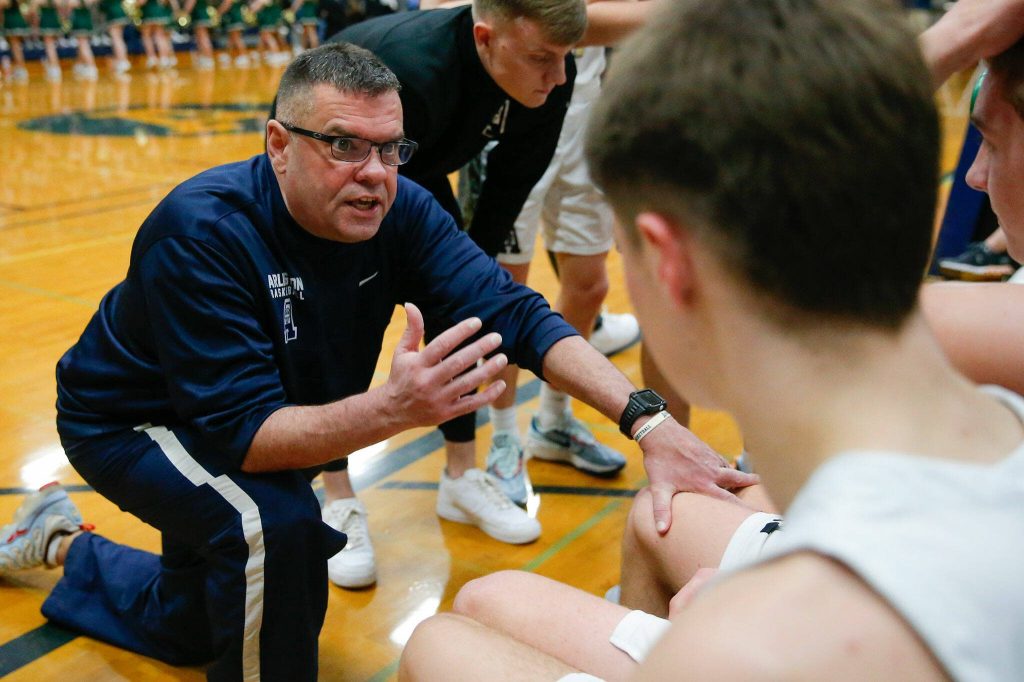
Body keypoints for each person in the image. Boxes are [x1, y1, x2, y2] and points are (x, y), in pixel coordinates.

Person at [0, 43, 753, 679]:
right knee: (275, 528)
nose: (374, 171)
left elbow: (518, 314)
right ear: (277, 145)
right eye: (343, 145)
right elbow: (245, 438)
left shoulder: (401, 208)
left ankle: (61, 543)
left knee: (203, 617)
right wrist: (398, 410)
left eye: (390, 148)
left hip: (238, 412)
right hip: (133, 421)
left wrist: (647, 422)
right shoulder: (202, 231)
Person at [398, 0, 1024, 679]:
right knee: (506, 595)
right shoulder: (990, 388)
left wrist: (716, 627)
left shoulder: (737, 650)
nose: (974, 176)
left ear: (669, 264)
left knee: (439, 642)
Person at [314, 0, 726, 589]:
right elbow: (384, 173)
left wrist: (470, 281)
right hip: (361, 161)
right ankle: (337, 495)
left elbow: (505, 196)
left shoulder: (553, 75)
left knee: (470, 312)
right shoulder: (413, 70)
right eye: (541, 58)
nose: (558, 76)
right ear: (486, 40)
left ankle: (461, 477)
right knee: (348, 321)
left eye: (564, 59)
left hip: (422, 166)